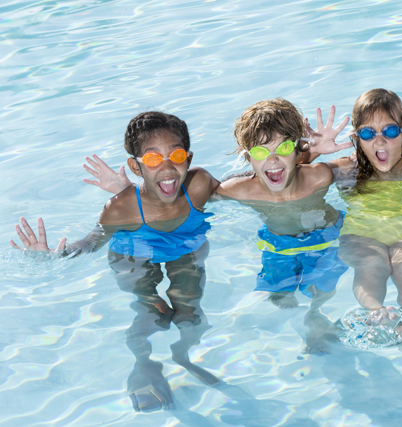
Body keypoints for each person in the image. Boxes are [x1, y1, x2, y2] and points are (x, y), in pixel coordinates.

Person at [84, 99, 352, 354]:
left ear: (296, 147)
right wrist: (128, 191)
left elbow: (361, 167)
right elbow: (171, 194)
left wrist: (313, 151)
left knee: (321, 288)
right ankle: (296, 322)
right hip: (277, 245)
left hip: (325, 238)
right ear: (248, 158)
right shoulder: (237, 190)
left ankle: (315, 317)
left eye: (283, 148)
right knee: (278, 296)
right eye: (261, 152)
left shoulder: (321, 176)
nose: (272, 160)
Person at [10, 111, 222, 411]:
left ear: (188, 158)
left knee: (190, 312)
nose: (167, 167)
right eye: (152, 159)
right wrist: (54, 256)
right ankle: (144, 365)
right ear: (136, 166)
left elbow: (242, 188)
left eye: (175, 155)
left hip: (183, 246)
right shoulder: (121, 208)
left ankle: (183, 357)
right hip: (134, 251)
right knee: (153, 311)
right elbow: (91, 241)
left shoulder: (199, 184)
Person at [305, 89, 402, 351]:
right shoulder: (345, 169)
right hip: (363, 234)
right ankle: (378, 312)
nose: (380, 141)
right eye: (368, 133)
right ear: (356, 137)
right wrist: (311, 154)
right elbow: (292, 180)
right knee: (371, 262)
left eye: (390, 131)